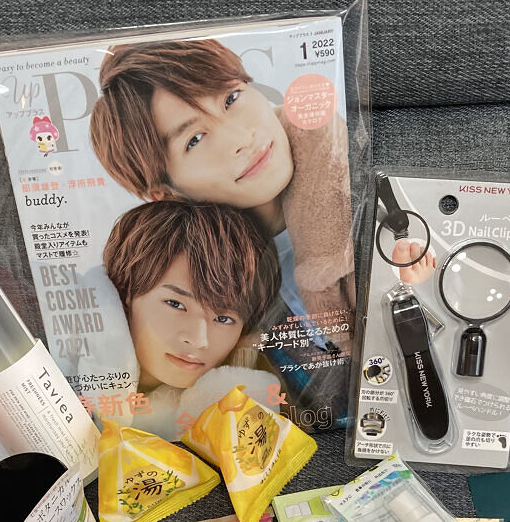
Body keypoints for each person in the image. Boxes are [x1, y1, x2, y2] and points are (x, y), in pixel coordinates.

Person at [89, 37, 354, 418]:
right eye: (195, 140)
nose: (240, 139)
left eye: (231, 99)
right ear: (166, 194)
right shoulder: (194, 280)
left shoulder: (356, 186)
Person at [102, 199, 282, 436]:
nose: (198, 339)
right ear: (126, 292)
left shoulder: (255, 390)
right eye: (176, 304)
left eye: (224, 318)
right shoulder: (72, 373)